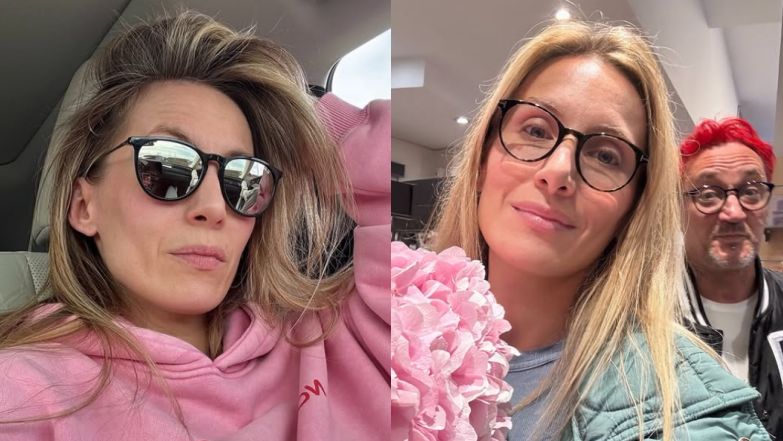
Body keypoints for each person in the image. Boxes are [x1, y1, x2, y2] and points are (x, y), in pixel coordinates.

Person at [0, 11, 390, 440]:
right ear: (83, 207)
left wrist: (308, 120)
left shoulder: (332, 332)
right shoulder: (26, 392)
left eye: (244, 179)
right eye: (168, 166)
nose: (215, 207)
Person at [425, 20, 769, 440]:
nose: (558, 171)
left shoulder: (684, 411)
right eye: (535, 130)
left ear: (633, 209)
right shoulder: (385, 322)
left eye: (606, 156)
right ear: (482, 160)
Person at [680, 116, 783, 438]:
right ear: (677, 208)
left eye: (751, 191)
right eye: (708, 194)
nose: (735, 212)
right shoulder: (640, 319)